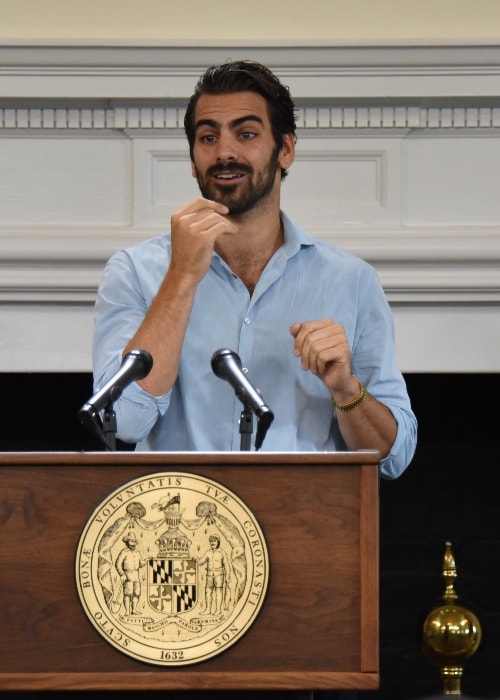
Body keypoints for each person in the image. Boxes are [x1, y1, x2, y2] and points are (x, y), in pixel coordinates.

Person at [92, 59, 417, 480]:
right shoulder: (135, 272)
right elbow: (124, 422)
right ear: (192, 159)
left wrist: (345, 389)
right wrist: (182, 276)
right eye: (208, 137)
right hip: (179, 532)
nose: (225, 152)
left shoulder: (351, 281)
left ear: (285, 149)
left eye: (246, 134)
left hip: (302, 529)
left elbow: (394, 457)